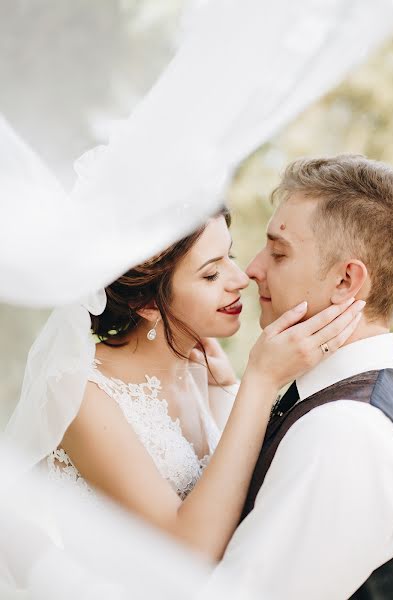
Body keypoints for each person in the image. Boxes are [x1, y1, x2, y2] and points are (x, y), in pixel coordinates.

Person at [27, 205, 362, 563]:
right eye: (211, 274)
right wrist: (260, 382)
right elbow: (189, 551)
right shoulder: (80, 393)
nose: (240, 278)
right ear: (147, 302)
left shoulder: (203, 369)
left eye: (229, 256)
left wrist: (229, 389)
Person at [215, 154, 393, 599]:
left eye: (279, 252)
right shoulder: (345, 402)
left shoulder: (343, 430)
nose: (251, 270)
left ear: (345, 281)